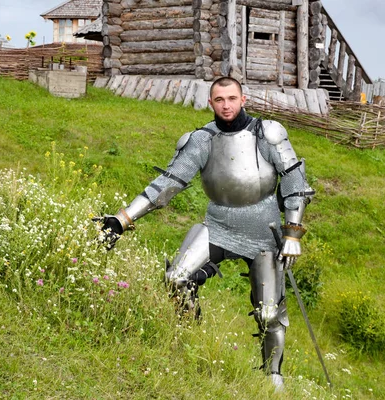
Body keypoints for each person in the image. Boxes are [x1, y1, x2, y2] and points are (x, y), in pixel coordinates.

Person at [97, 77, 314, 389]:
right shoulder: (201, 140)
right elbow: (169, 183)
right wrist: (123, 218)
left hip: (263, 232)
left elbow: (295, 181)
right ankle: (190, 335)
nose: (226, 105)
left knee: (268, 313)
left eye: (231, 98)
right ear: (210, 103)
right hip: (218, 225)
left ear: (243, 99)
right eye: (219, 99)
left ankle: (272, 376)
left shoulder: (267, 133)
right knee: (175, 278)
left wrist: (292, 233)